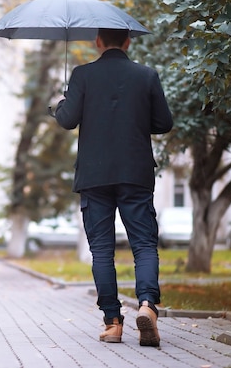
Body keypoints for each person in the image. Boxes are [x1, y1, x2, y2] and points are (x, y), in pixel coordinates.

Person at [54, 28, 173, 347]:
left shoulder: (82, 75)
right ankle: (148, 305)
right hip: (135, 173)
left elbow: (67, 120)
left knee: (102, 250)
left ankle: (113, 322)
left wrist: (60, 105)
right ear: (128, 41)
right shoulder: (146, 75)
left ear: (98, 42)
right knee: (144, 245)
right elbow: (164, 123)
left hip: (95, 177)